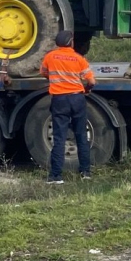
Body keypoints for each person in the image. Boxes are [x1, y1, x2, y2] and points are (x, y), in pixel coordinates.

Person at [39, 29, 97, 184]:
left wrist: (53, 78)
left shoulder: (50, 57)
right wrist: (86, 90)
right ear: (71, 42)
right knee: (81, 136)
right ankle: (85, 172)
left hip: (59, 101)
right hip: (77, 99)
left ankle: (56, 176)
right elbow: (91, 81)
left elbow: (43, 72)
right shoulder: (78, 59)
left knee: (59, 138)